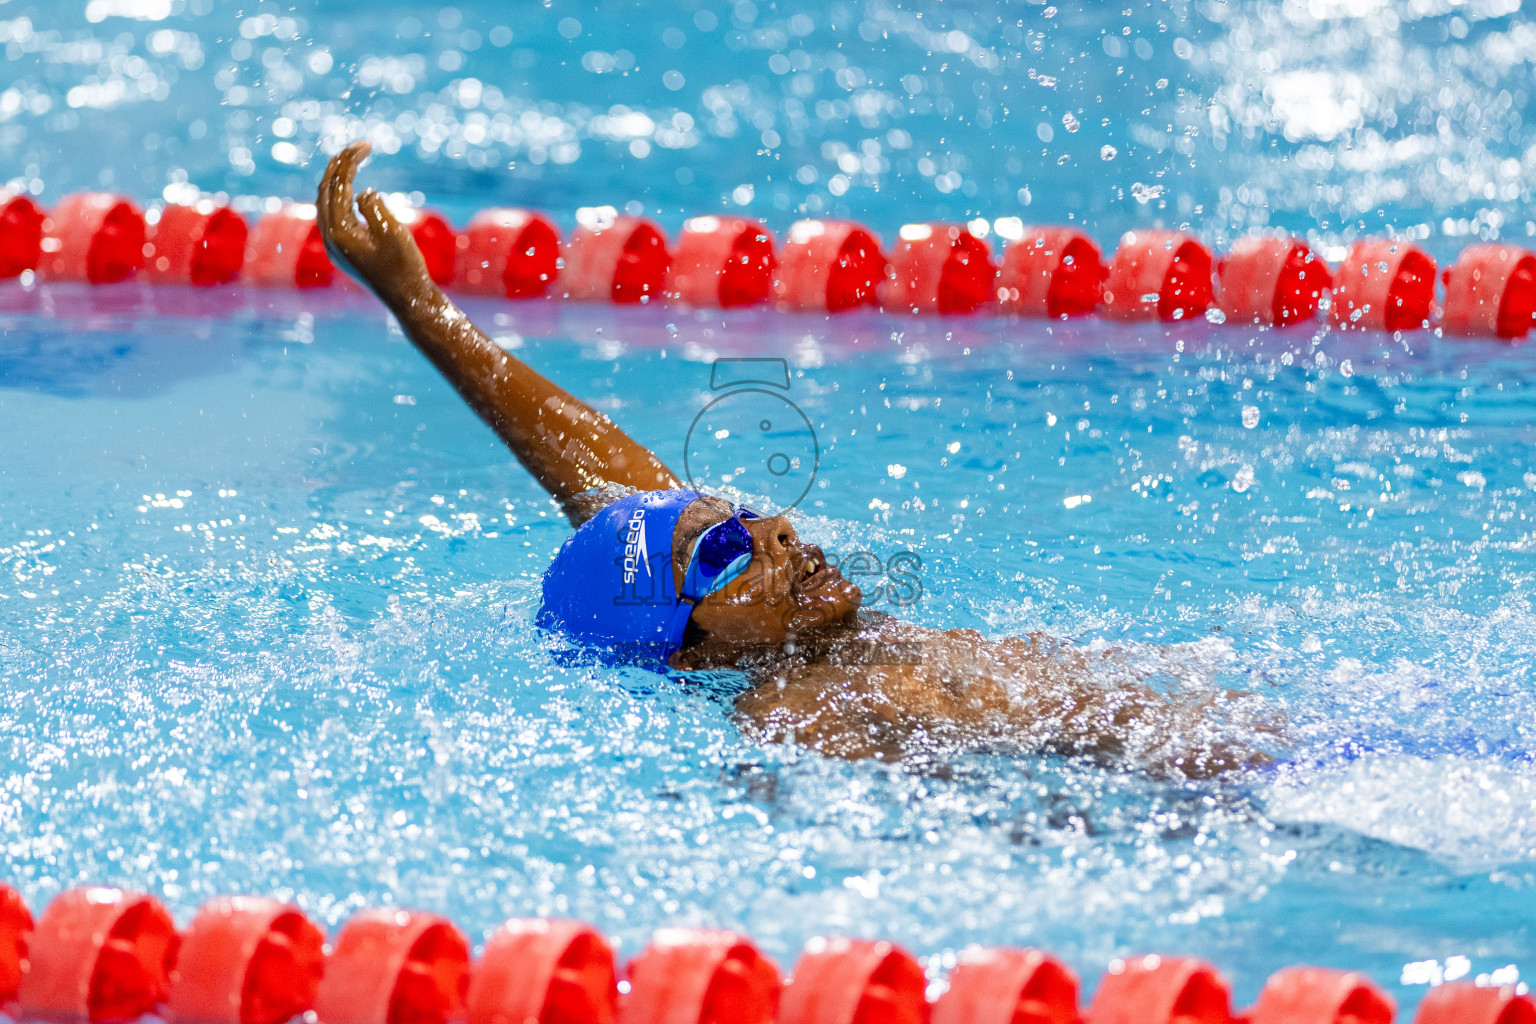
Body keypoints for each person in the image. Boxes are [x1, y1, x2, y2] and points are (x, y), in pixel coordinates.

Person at [316, 141, 1273, 779]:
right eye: (726, 552)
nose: (772, 528)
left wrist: (418, 305)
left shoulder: (767, 630)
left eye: (739, 513)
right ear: (687, 652)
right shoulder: (796, 713)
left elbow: (597, 473)